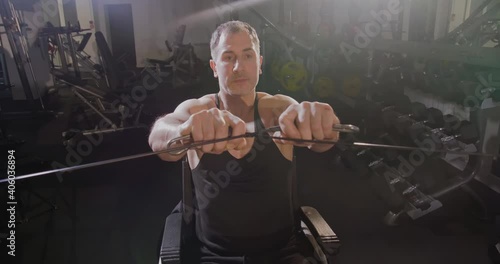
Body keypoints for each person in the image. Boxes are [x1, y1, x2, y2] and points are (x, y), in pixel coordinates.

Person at [148, 20, 340, 264]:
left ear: (259, 64)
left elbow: (323, 141)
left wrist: (324, 123)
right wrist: (184, 130)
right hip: (213, 256)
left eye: (248, 55)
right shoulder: (199, 111)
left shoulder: (276, 109)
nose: (239, 66)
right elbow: (159, 136)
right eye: (228, 57)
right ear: (214, 67)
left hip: (282, 255)